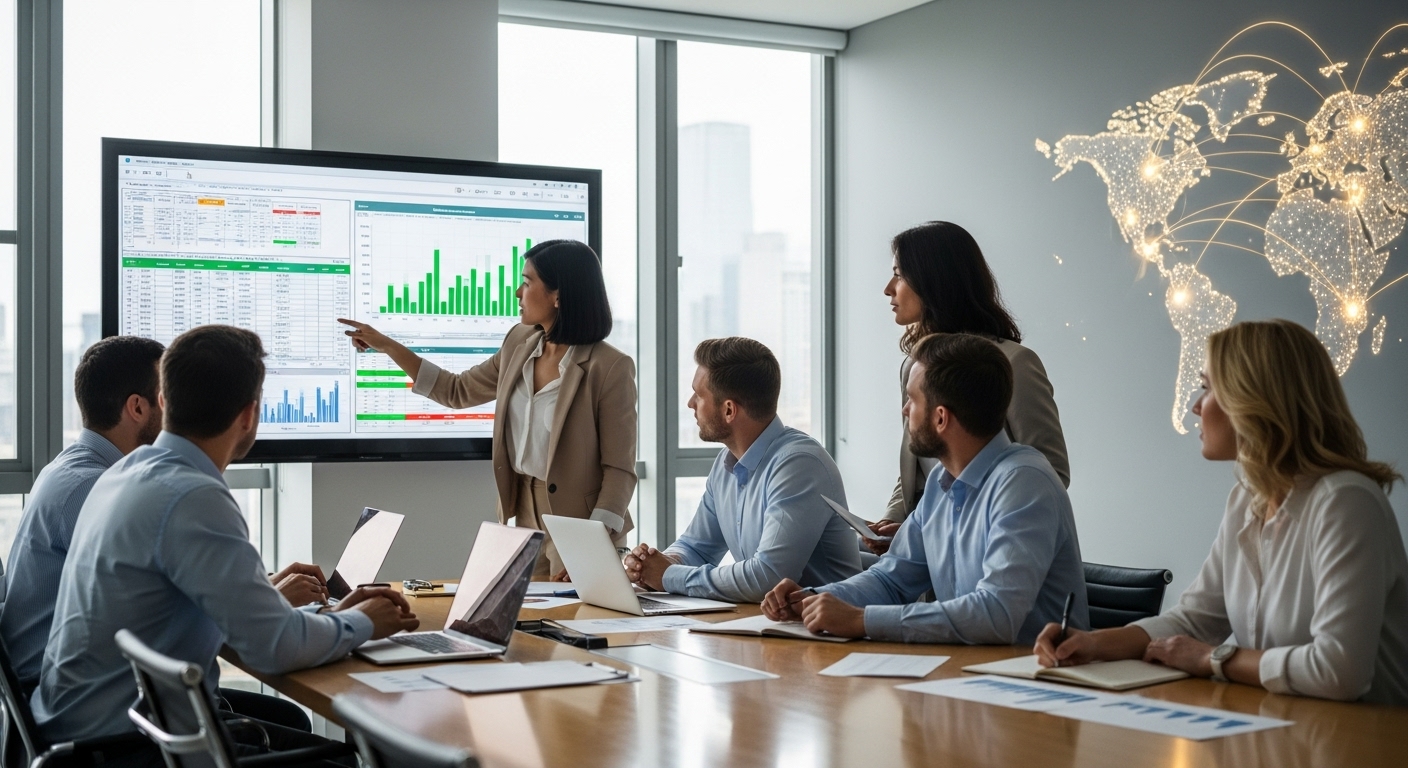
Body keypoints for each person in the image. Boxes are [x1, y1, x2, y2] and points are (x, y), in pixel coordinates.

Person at [32, 325, 419, 761]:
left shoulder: (129, 470)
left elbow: (242, 624)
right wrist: (366, 621)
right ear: (249, 415)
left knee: (299, 731)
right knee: (344, 758)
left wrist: (330, 618)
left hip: (83, 726)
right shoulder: (193, 495)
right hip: (124, 745)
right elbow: (274, 647)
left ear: (163, 400)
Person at [1035, 319, 1408, 705]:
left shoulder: (1345, 502)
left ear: (1253, 400)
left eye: (1208, 388)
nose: (1196, 405)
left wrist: (1212, 659)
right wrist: (1092, 643)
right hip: (1289, 729)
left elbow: (1339, 671)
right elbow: (1194, 620)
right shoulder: (1247, 499)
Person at [1, 336, 326, 729]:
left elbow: (149, 593)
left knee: (288, 718)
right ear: (139, 406)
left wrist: (258, 592)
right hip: (100, 706)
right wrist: (267, 602)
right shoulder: (94, 485)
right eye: (167, 395)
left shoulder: (88, 472)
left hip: (76, 692)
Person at [762, 333, 1087, 644]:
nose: (905, 411)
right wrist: (812, 600)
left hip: (1029, 686)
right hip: (962, 676)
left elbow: (997, 614)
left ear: (941, 418)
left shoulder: (1024, 482)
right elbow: (891, 579)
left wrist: (861, 621)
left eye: (912, 400)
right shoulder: (940, 483)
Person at [339, 240, 635, 580]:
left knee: (580, 625)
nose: (516, 293)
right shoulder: (518, 343)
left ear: (558, 295)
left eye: (526, 282)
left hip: (581, 524)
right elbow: (457, 390)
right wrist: (388, 346)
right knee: (526, 623)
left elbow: (619, 470)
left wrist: (591, 544)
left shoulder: (610, 367)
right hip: (522, 514)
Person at [870, 221, 1069, 553]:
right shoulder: (914, 366)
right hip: (926, 549)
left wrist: (946, 525)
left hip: (987, 548)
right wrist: (893, 523)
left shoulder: (1014, 363)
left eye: (899, 275)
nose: (888, 288)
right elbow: (917, 466)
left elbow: (1051, 471)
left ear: (933, 281)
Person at [623, 337, 860, 603]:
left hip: (829, 632)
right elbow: (696, 547)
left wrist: (669, 575)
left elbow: (768, 577)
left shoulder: (799, 465)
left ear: (728, 410)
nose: (690, 403)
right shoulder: (727, 463)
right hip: (768, 623)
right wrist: (658, 563)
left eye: (699, 395)